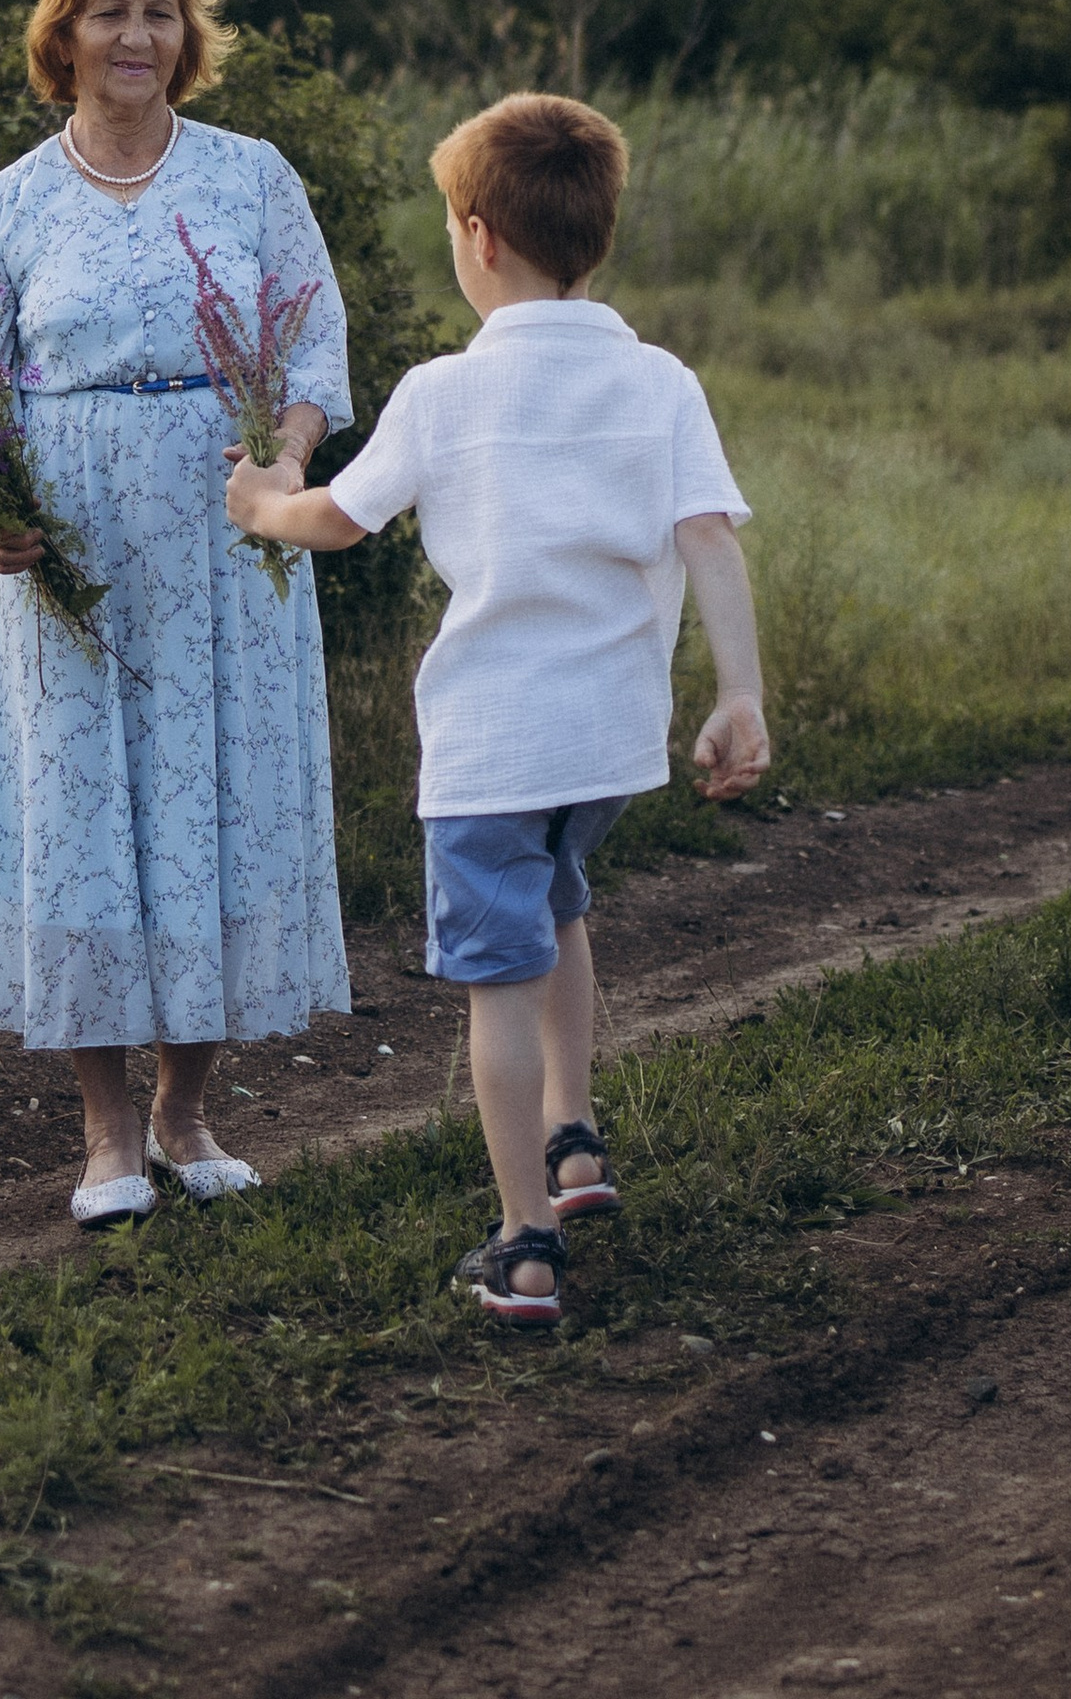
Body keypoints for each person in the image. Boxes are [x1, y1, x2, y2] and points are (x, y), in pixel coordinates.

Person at [226, 87, 768, 1327]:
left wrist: (261, 503)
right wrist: (737, 691)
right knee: (559, 908)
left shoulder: (442, 393)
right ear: (600, 234)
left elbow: (337, 519)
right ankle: (574, 1142)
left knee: (498, 982)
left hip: (491, 747)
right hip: (610, 744)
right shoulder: (661, 379)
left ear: (473, 235)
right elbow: (708, 538)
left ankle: (523, 1240)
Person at [0, 0, 354, 1226]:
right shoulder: (6, 204)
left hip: (224, 545)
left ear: (189, 40)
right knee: (81, 820)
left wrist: (285, 460)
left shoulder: (252, 179)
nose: (136, 35)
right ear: (61, 35)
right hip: (64, 561)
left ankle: (184, 1108)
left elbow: (315, 357)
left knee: (209, 804)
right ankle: (106, 1129)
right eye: (110, 11)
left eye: (160, 13)